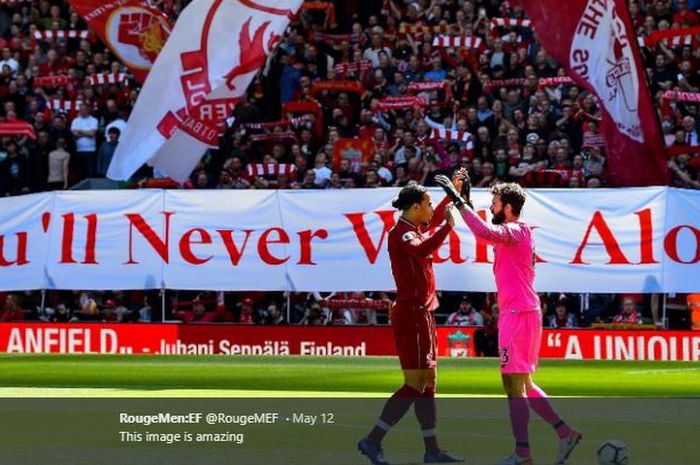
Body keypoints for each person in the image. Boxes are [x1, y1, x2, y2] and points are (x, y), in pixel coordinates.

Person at [435, 174, 582, 465]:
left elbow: (484, 232)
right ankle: (565, 433)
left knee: (512, 386)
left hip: (517, 315)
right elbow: (487, 230)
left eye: (495, 203)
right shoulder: (516, 232)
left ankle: (523, 454)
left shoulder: (517, 230)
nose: (491, 207)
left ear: (509, 206)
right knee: (524, 383)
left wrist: (457, 198)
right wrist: (467, 197)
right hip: (523, 313)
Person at [358, 181, 462, 465]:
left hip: (423, 314)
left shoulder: (413, 229)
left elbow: (434, 221)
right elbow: (423, 247)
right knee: (415, 384)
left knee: (428, 384)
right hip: (411, 314)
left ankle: (432, 451)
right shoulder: (401, 234)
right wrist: (447, 227)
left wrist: (454, 189)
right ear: (415, 207)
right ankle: (372, 440)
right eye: (428, 204)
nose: (432, 209)